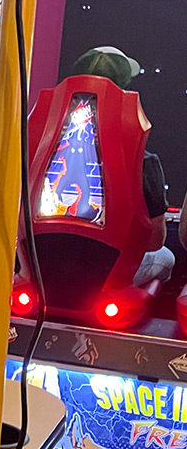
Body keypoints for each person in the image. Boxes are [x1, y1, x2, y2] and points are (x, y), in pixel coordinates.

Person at [70, 46, 173, 286]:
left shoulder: (41, 141)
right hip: (106, 273)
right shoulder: (144, 161)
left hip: (44, 263)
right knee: (166, 257)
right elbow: (154, 241)